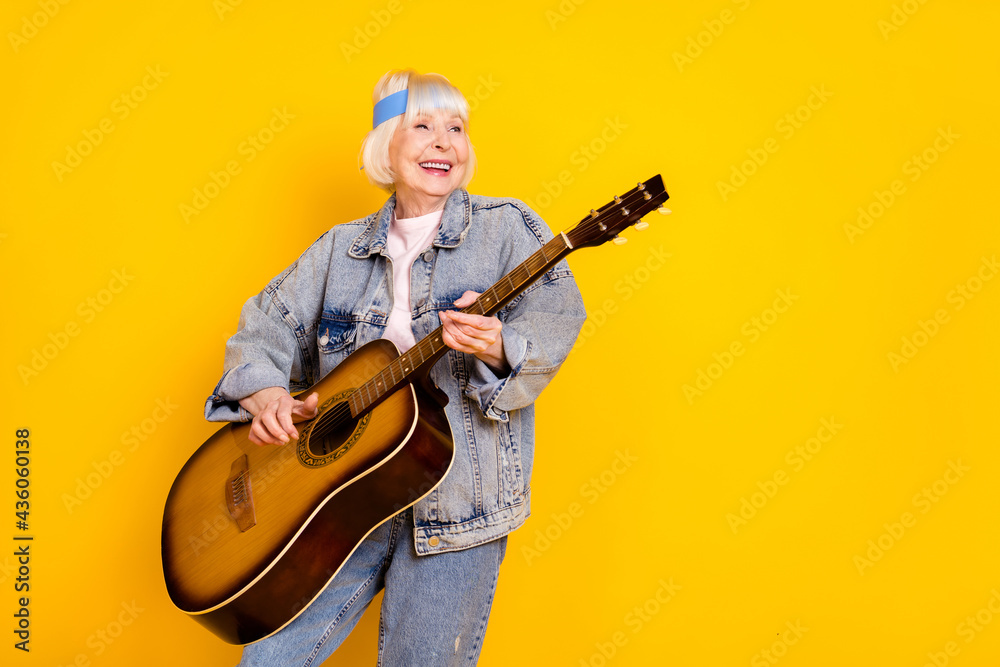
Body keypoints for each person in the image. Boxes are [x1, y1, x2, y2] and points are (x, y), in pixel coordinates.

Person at [204, 69, 586, 666]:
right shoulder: (339, 248)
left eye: (456, 128)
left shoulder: (507, 228)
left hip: (458, 508)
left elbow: (558, 315)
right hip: (338, 505)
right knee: (269, 660)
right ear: (386, 144)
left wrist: (498, 346)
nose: (444, 142)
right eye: (423, 126)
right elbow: (265, 326)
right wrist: (266, 394)